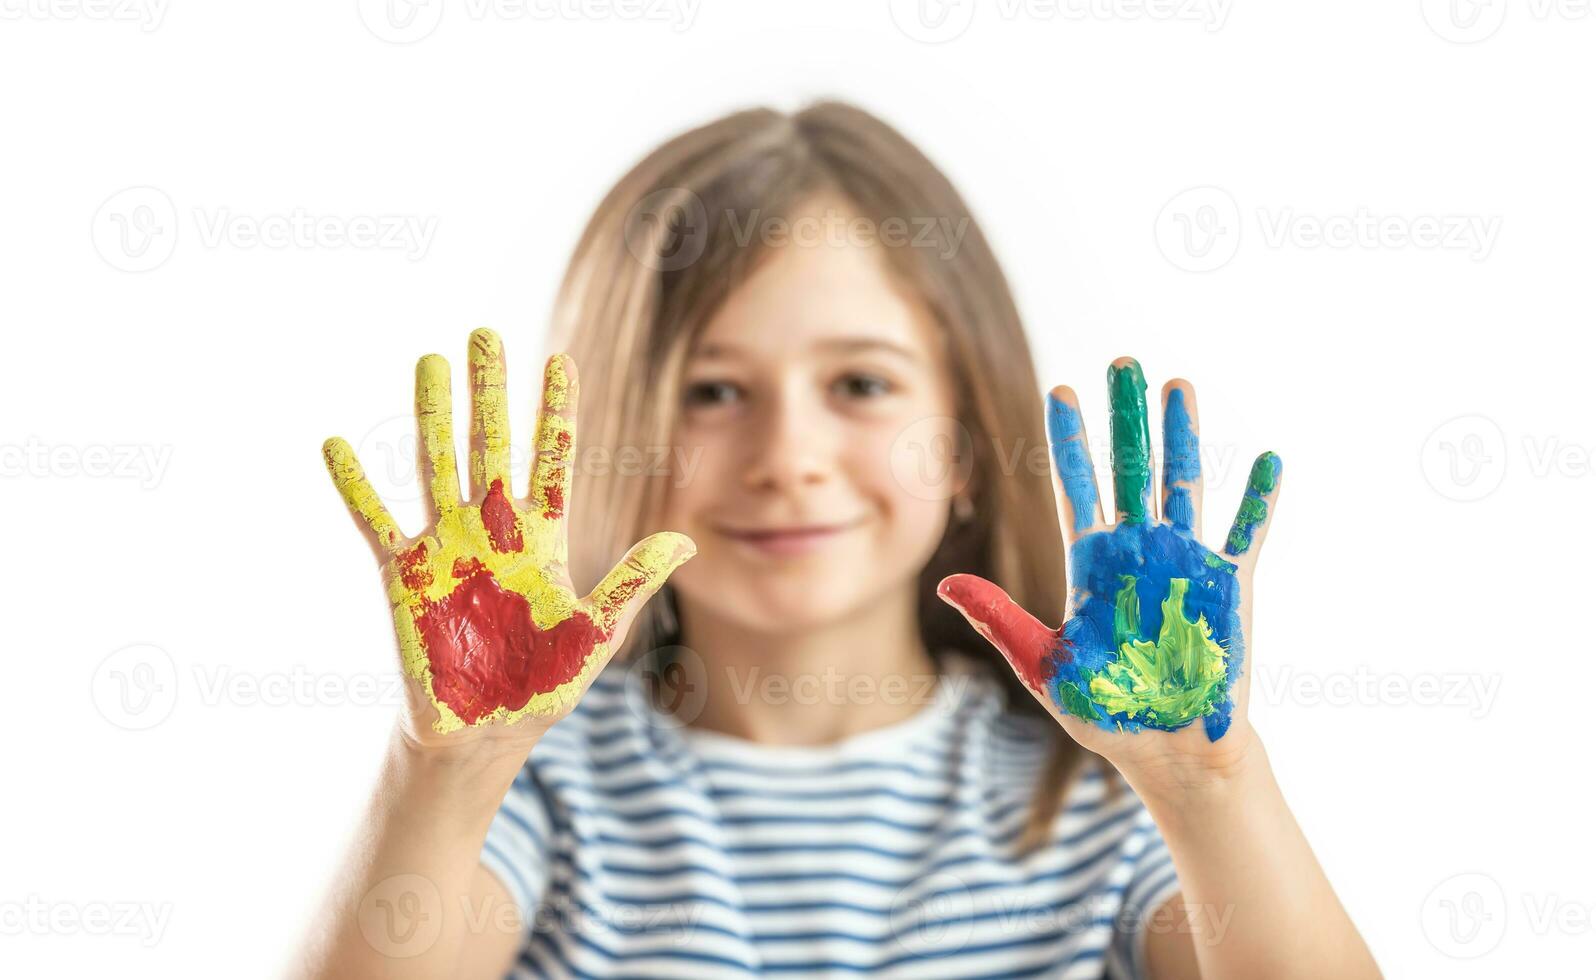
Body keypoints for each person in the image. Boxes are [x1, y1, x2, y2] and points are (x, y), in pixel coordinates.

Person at [297, 101, 1381, 979]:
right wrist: (450, 768)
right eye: (713, 391)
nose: (790, 454)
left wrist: (1208, 788)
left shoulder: (1102, 790)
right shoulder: (538, 790)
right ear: (610, 435)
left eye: (860, 383)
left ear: (964, 439)